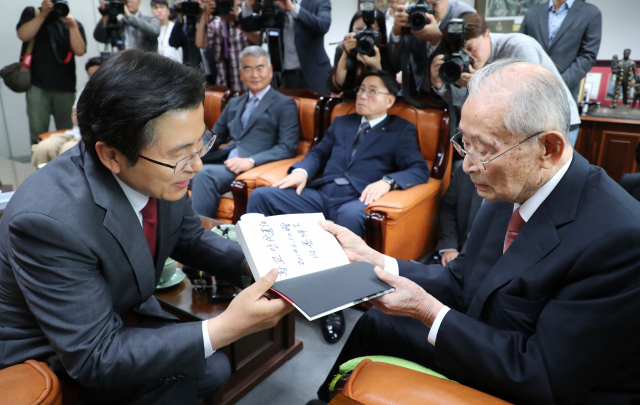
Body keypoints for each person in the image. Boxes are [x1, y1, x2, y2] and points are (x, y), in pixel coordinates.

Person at [314, 59, 640, 404]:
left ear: (548, 149)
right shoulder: (510, 184)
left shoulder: (620, 239)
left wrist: (427, 310)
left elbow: (542, 373)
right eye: (464, 142)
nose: (468, 164)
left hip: (538, 380)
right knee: (374, 324)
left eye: (482, 148)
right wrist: (376, 260)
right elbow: (461, 281)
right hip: (492, 339)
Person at [0, 49, 292, 405]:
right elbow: (95, 356)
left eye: (200, 142)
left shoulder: (161, 172)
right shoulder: (48, 222)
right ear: (112, 156)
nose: (197, 165)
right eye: (180, 153)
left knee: (213, 369)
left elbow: (190, 238)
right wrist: (226, 327)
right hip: (58, 346)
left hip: (121, 308)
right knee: (192, 378)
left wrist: (260, 268)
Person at [247, 70, 430, 344]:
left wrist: (388, 182)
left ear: (390, 100)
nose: (362, 95)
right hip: (321, 193)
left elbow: (418, 169)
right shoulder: (343, 122)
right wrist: (303, 172)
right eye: (360, 90)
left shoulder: (399, 129)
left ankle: (332, 305)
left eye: (371, 91)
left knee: (349, 216)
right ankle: (258, 277)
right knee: (262, 196)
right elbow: (318, 153)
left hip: (355, 199)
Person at [430, 12, 580, 144]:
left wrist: (482, 84)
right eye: (462, 52)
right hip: (524, 130)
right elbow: (463, 103)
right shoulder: (472, 62)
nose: (468, 56)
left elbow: (533, 95)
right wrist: (439, 84)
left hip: (558, 124)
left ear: (487, 34)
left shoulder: (519, 45)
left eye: (471, 48)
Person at [190, 46, 299, 218]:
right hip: (224, 161)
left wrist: (251, 160)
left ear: (270, 71)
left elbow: (287, 147)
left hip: (252, 166)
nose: (254, 75)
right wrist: (190, 154)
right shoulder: (235, 103)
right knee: (177, 169)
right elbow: (214, 136)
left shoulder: (285, 104)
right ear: (241, 74)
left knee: (204, 175)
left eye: (259, 68)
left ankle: (197, 236)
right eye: (248, 69)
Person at [519, 0, 601, 146]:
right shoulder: (533, 12)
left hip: (564, 93)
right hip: (528, 95)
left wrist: (557, 84)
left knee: (557, 151)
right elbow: (520, 44)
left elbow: (587, 56)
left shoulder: (590, 13)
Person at [17, 0, 87, 145]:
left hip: (65, 86)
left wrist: (72, 25)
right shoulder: (33, 13)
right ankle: (41, 164)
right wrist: (43, 14)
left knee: (70, 133)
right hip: (37, 85)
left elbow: (80, 50)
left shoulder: (72, 23)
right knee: (38, 133)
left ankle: (68, 166)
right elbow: (23, 35)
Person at [241, 0, 332, 94]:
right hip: (287, 76)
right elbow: (248, 26)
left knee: (317, 107)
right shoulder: (277, 5)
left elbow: (323, 25)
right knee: (288, 108)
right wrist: (248, 5)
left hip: (314, 74)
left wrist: (292, 8)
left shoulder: (319, 2)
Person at [388, 0, 475, 97]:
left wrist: (437, 40)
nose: (428, 12)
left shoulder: (463, 15)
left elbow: (465, 60)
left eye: (434, 5)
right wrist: (396, 33)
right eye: (425, 4)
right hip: (416, 93)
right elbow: (395, 62)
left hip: (449, 96)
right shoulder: (413, 12)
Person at [31, 57, 102, 168]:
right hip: (75, 132)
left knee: (67, 150)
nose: (93, 79)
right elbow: (75, 117)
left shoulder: (113, 91)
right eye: (90, 76)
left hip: (92, 137)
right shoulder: (85, 91)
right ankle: (43, 181)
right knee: (43, 148)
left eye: (96, 74)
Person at [327, 9, 395, 97]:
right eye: (359, 30)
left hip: (375, 103)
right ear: (351, 30)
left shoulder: (385, 50)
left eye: (370, 32)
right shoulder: (342, 48)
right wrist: (345, 54)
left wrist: (376, 67)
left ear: (380, 34)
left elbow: (388, 92)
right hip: (350, 101)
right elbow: (337, 87)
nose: (364, 36)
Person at [196, 0, 251, 92]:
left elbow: (258, 40)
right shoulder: (216, 24)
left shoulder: (246, 17)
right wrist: (205, 15)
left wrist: (236, 21)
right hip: (223, 86)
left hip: (246, 85)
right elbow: (200, 43)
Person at [434, 164, 483, 267]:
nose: (467, 163)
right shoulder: (465, 170)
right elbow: (448, 209)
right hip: (459, 254)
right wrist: (449, 247)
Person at [170, 0, 217, 82]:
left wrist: (205, 15)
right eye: (195, 3)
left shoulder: (216, 23)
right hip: (195, 75)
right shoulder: (186, 26)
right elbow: (174, 42)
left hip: (215, 73)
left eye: (203, 1)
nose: (199, 6)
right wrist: (180, 18)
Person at [94, 0, 161, 52]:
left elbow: (155, 32)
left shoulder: (150, 19)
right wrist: (106, 14)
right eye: (125, 0)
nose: (128, 1)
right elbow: (100, 38)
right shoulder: (120, 23)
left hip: (147, 65)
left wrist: (129, 17)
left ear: (139, 2)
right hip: (127, 65)